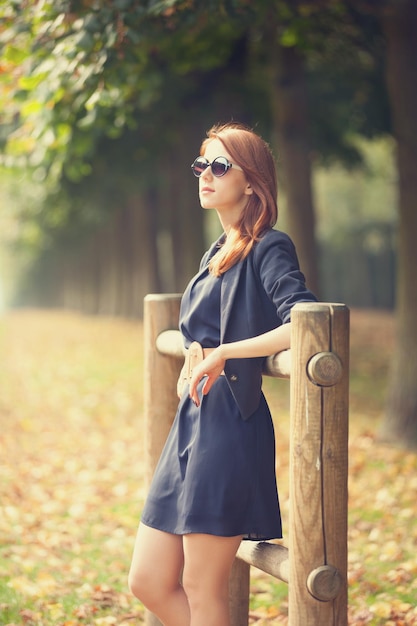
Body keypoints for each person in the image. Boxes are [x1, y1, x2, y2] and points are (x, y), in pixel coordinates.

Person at [128, 121, 317, 626]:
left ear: (251, 181)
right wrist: (195, 352)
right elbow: (206, 328)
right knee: (146, 579)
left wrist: (227, 353)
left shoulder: (269, 246)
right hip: (191, 426)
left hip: (230, 429)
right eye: (201, 164)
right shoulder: (217, 250)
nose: (204, 175)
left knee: (200, 585)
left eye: (219, 166)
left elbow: (304, 321)